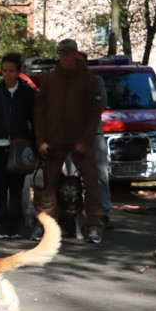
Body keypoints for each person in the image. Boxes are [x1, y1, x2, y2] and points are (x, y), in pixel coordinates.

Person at [33, 38, 105, 243]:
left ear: (75, 53)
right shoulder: (49, 79)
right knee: (48, 186)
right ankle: (44, 226)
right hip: (54, 141)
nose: (65, 56)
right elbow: (39, 111)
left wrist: (86, 140)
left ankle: (93, 226)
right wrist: (40, 141)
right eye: (62, 52)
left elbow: (94, 112)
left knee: (91, 184)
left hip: (81, 142)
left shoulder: (89, 80)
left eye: (68, 52)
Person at [0, 53, 37, 239]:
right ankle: (3, 224)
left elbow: (34, 119)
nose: (7, 74)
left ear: (18, 71)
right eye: (4, 71)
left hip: (19, 146)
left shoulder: (27, 93)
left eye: (11, 71)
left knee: (17, 187)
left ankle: (13, 224)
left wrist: (34, 146)